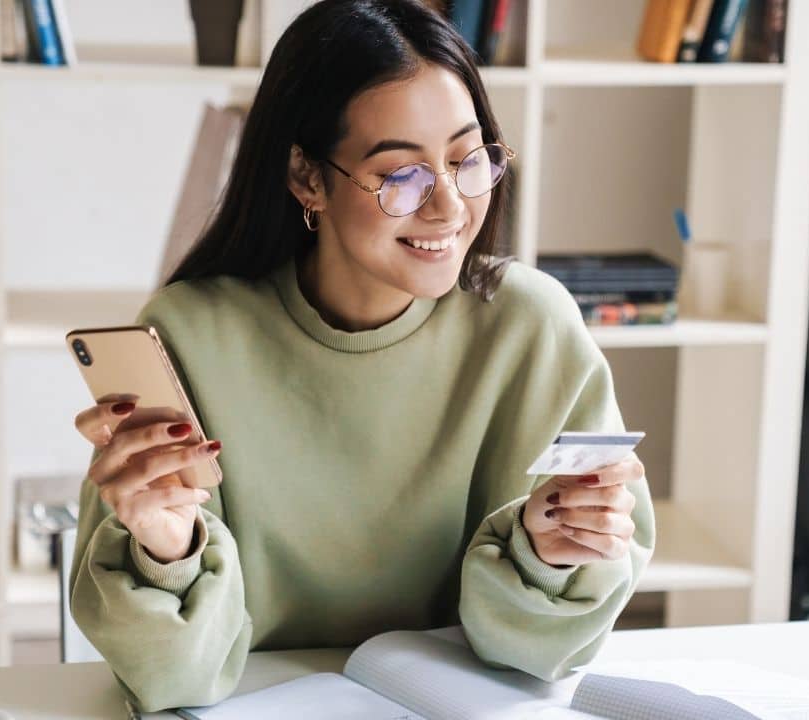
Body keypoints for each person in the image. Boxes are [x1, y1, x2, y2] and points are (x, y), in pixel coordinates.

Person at [68, 0, 655, 711]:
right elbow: (173, 680)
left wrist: (551, 554)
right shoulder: (191, 333)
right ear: (306, 178)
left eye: (468, 160)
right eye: (401, 175)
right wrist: (166, 549)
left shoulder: (532, 329)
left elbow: (538, 658)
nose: (449, 207)